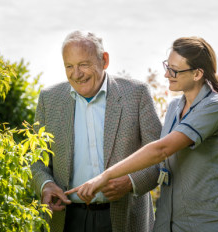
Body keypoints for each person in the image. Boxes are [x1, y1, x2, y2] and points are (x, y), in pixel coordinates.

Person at [66, 37, 218, 232]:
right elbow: (160, 164)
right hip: (170, 222)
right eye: (168, 66)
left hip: (210, 223)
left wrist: (104, 176)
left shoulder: (215, 106)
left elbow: (161, 150)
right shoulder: (175, 107)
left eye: (175, 70)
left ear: (197, 74)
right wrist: (127, 181)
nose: (167, 74)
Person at [30, 30, 162, 232]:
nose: (76, 74)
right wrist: (45, 184)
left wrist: (130, 182)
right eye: (69, 66)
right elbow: (36, 161)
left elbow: (160, 157)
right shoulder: (49, 99)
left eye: (83, 64)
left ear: (104, 60)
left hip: (124, 217)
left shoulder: (136, 94)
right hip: (66, 219)